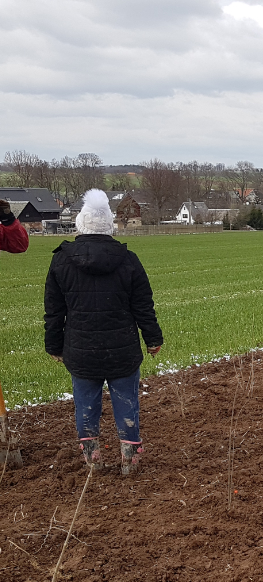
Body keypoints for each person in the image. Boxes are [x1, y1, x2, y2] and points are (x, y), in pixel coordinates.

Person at [44, 189, 163, 475]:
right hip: (122, 349)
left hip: (80, 350)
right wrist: (153, 339)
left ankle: (91, 457)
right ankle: (130, 459)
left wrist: (54, 346)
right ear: (110, 225)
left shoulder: (61, 261)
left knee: (85, 402)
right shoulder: (129, 260)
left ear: (80, 224)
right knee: (126, 400)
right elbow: (143, 306)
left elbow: (54, 311)